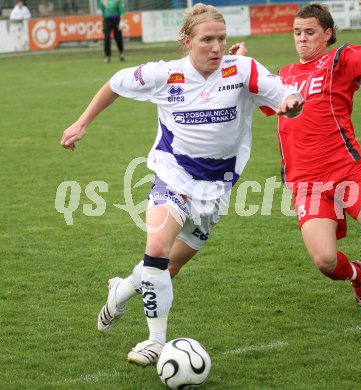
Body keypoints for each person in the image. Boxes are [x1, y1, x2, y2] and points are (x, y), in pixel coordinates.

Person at [60, 3, 303, 368]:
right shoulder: (165, 75)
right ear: (188, 41)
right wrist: (82, 123)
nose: (216, 47)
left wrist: (291, 103)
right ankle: (155, 341)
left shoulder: (244, 70)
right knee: (157, 248)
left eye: (221, 39)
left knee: (166, 269)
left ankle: (122, 288)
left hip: (217, 189)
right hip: (172, 175)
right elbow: (114, 83)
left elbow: (283, 91)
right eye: (207, 40)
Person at [276, 0, 361, 312]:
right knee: (325, 261)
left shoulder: (340, 59)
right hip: (307, 182)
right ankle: (357, 275)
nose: (302, 38)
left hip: (347, 172)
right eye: (297, 32)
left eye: (310, 32)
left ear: (327, 34)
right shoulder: (283, 75)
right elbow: (249, 96)